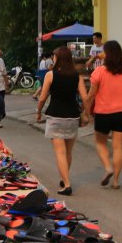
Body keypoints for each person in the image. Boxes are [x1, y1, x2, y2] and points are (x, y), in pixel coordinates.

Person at [84, 39, 122, 190]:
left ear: (107, 54)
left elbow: (91, 95)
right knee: (118, 147)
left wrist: (86, 112)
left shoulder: (99, 72)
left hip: (103, 114)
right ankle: (115, 180)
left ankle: (108, 167)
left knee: (100, 143)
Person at [35, 45, 88, 196]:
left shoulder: (50, 75)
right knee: (68, 152)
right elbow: (85, 97)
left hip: (55, 116)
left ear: (57, 58)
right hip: (72, 116)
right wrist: (87, 113)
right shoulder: (77, 75)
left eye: (54, 56)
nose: (53, 58)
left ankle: (67, 185)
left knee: (60, 152)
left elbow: (43, 97)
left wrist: (38, 112)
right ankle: (64, 179)